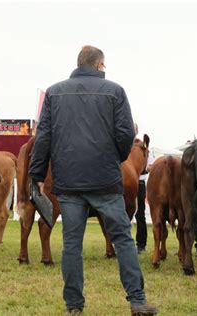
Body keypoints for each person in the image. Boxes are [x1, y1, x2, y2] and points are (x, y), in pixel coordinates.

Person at [28, 45, 157, 315]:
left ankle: (73, 305)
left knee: (72, 243)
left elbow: (43, 137)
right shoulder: (115, 91)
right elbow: (126, 134)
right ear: (99, 65)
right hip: (106, 181)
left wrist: (37, 174)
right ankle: (137, 300)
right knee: (123, 238)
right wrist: (115, 158)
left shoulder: (54, 93)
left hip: (69, 182)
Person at [134, 124, 155, 255]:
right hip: (123, 183)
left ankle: (141, 244)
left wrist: (145, 167)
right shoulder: (123, 145)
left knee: (140, 214)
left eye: (133, 129)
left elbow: (150, 165)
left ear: (136, 130)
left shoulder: (144, 147)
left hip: (139, 182)